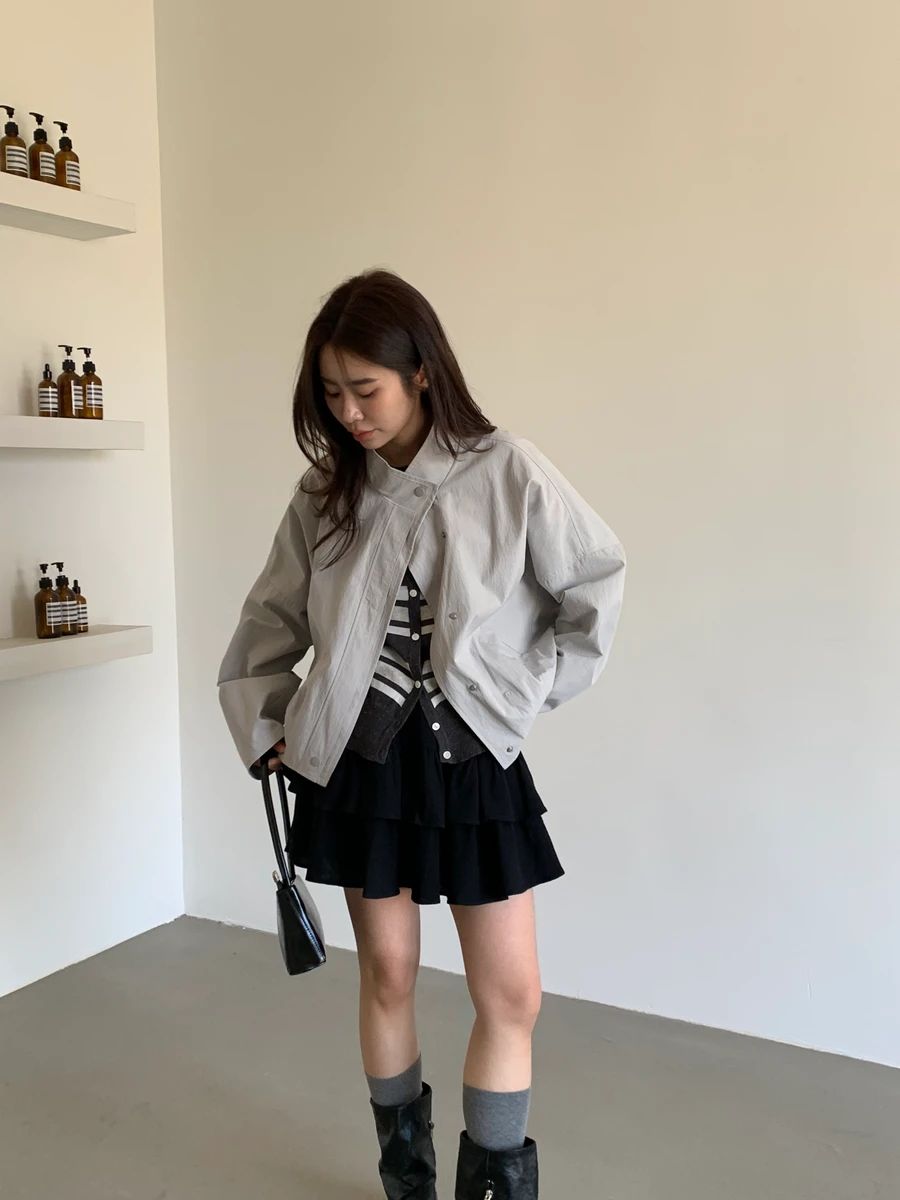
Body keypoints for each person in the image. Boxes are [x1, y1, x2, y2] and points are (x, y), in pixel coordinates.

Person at [217, 268, 626, 1200]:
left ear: (422, 373)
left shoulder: (506, 468)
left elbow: (594, 580)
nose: (348, 412)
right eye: (331, 392)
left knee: (512, 993)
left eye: (365, 389)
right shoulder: (325, 492)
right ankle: (407, 1179)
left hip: (473, 761)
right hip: (359, 766)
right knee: (389, 975)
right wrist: (268, 720)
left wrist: (526, 690)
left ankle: (494, 1185)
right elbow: (268, 622)